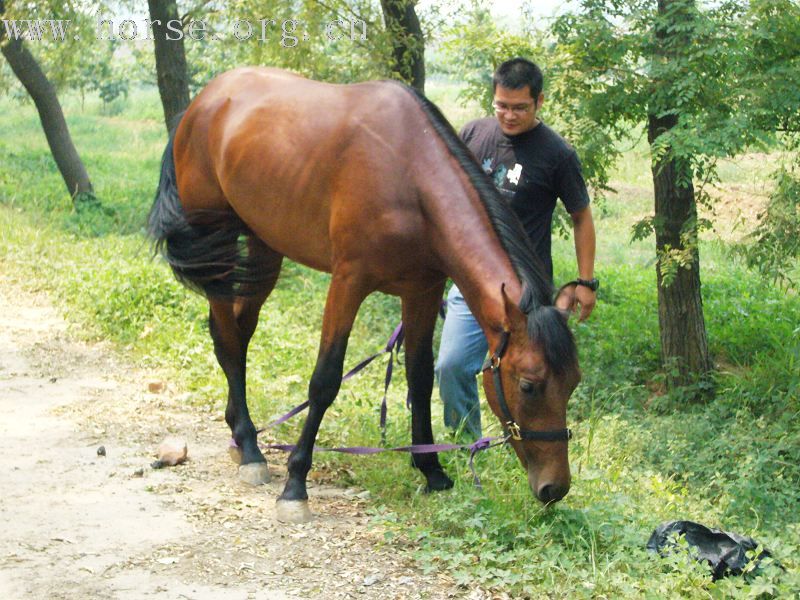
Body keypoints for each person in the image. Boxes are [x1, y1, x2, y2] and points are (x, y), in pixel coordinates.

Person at [435, 57, 597, 439]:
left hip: (528, 295)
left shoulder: (557, 154)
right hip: (472, 283)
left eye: (520, 107)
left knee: (531, 377)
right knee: (452, 366)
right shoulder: (474, 135)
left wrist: (586, 282)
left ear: (539, 101)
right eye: (502, 106)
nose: (509, 116)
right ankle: (467, 447)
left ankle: (531, 443)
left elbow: (582, 217)